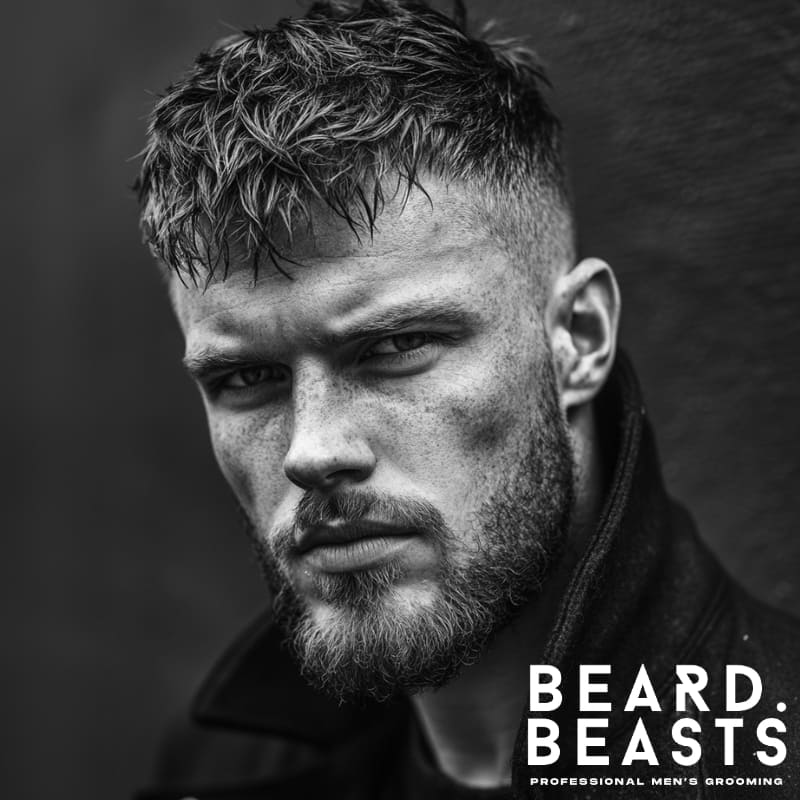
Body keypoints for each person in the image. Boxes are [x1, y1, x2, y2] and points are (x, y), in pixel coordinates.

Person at [133, 1, 799, 797]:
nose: (312, 451)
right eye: (246, 379)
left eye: (395, 347)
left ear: (578, 338)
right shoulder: (222, 767)